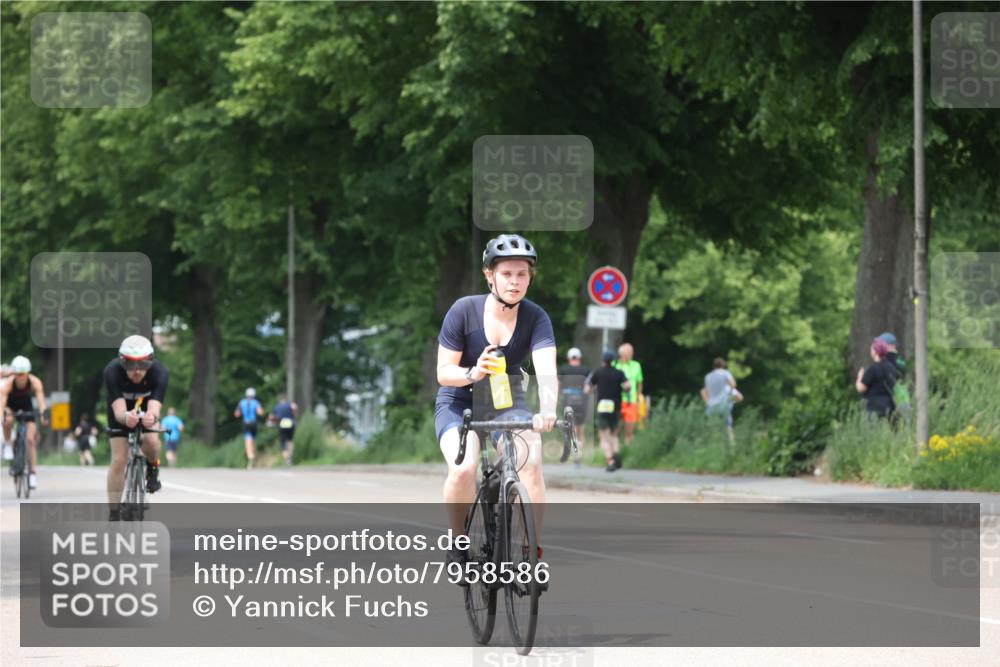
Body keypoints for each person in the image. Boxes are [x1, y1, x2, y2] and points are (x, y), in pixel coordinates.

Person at [435, 234, 557, 577]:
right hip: (459, 402)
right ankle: (459, 543)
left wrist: (547, 408)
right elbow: (444, 373)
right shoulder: (464, 310)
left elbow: (547, 371)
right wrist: (474, 372)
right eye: (507, 274)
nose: (515, 282)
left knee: (531, 460)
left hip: (506, 401)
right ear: (490, 275)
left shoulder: (536, 317)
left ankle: (529, 551)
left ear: (530, 277)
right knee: (463, 468)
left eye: (522, 274)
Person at [104, 335, 168, 521]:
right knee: (118, 459)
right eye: (131, 365)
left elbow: (155, 408)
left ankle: (153, 468)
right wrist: (126, 417)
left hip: (147, 409)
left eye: (143, 365)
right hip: (121, 412)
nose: (138, 371)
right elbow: (118, 411)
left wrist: (152, 417)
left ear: (151, 361)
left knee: (152, 442)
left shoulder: (160, 372)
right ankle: (114, 514)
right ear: (122, 362)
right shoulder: (112, 371)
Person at [1, 355, 48, 489]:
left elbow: (41, 402)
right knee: (7, 419)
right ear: (14, 374)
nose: (22, 377)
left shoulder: (35, 382)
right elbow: (2, 405)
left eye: (24, 374)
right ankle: (9, 444)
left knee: (30, 440)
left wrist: (44, 416)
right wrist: (1, 418)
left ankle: (32, 473)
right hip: (10, 404)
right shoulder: (8, 384)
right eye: (18, 374)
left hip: (26, 405)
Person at [585, 350, 630, 471]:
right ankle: (616, 452)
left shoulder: (598, 372)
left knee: (603, 436)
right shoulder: (619, 373)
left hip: (603, 406)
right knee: (614, 434)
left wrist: (593, 389)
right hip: (615, 406)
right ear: (613, 360)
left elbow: (587, 389)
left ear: (603, 360)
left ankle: (611, 461)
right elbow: (627, 386)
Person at [558, 347, 590, 464]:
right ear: (580, 358)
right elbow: (588, 388)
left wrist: (556, 399)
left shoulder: (563, 369)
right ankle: (579, 454)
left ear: (568, 358)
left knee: (571, 429)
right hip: (581, 402)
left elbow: (557, 385)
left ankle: (574, 454)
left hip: (568, 402)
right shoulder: (586, 370)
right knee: (581, 430)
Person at [701, 357, 743, 440]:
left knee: (712, 429)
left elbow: (705, 391)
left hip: (711, 406)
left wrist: (707, 402)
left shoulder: (708, 376)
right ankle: (731, 446)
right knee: (728, 427)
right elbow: (733, 385)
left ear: (714, 366)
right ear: (723, 365)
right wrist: (731, 395)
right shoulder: (725, 373)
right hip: (723, 405)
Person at [855, 337, 897, 418]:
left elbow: (860, 388)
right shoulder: (891, 367)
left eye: (871, 349)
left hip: (874, 408)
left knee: (873, 430)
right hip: (889, 407)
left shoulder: (873, 369)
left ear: (875, 352)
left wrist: (859, 377)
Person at [612, 343, 644, 445]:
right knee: (615, 429)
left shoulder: (636, 365)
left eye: (631, 352)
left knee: (629, 430)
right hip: (617, 401)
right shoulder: (614, 365)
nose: (631, 354)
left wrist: (638, 396)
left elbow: (640, 383)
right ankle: (613, 452)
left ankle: (628, 451)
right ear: (621, 354)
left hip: (631, 402)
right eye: (628, 352)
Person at [234, 388, 264, 469]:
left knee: (248, 440)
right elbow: (260, 412)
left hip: (246, 423)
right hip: (253, 423)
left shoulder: (242, 402)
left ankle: (250, 455)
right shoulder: (255, 402)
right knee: (253, 440)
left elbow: (236, 414)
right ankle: (253, 455)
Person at [269, 395, 298, 466]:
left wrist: (271, 422)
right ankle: (290, 457)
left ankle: (286, 459)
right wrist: (294, 415)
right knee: (290, 441)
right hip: (291, 423)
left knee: (282, 443)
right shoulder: (289, 404)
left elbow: (271, 416)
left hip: (282, 424)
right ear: (286, 399)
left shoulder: (277, 406)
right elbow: (295, 407)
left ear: (280, 400)